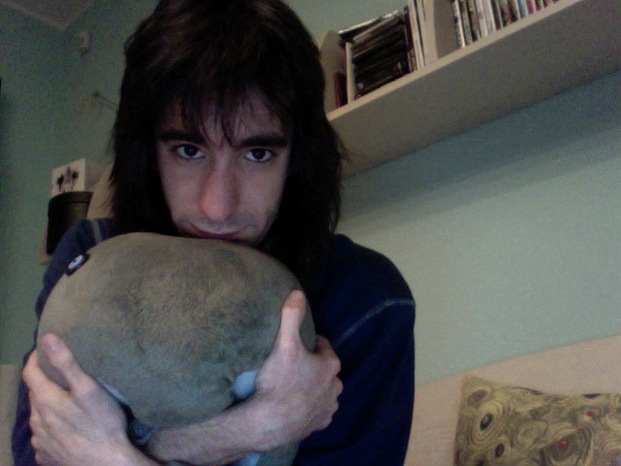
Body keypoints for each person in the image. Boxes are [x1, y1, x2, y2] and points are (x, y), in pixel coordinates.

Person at [12, 0, 416, 464]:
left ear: (297, 161)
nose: (217, 207)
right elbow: (37, 450)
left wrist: (114, 453)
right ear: (148, 154)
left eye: (257, 154)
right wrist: (251, 428)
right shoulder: (89, 257)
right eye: (188, 150)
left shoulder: (367, 299)